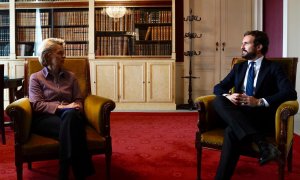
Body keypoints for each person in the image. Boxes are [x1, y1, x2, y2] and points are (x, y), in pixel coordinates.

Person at [212, 30, 297, 180]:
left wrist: (259, 101)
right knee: (218, 100)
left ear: (259, 47)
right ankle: (262, 144)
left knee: (231, 132)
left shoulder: (274, 68)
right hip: (238, 113)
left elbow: (290, 93)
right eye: (242, 43)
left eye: (246, 43)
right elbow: (218, 88)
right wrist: (229, 96)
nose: (242, 47)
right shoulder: (239, 67)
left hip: (260, 116)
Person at [29, 38, 95, 179]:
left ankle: (63, 170)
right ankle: (82, 172)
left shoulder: (71, 77)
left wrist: (76, 106)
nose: (64, 56)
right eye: (60, 53)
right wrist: (62, 107)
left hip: (71, 116)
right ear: (47, 56)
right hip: (46, 119)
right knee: (73, 126)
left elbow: (78, 99)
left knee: (70, 117)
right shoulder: (36, 78)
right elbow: (36, 104)